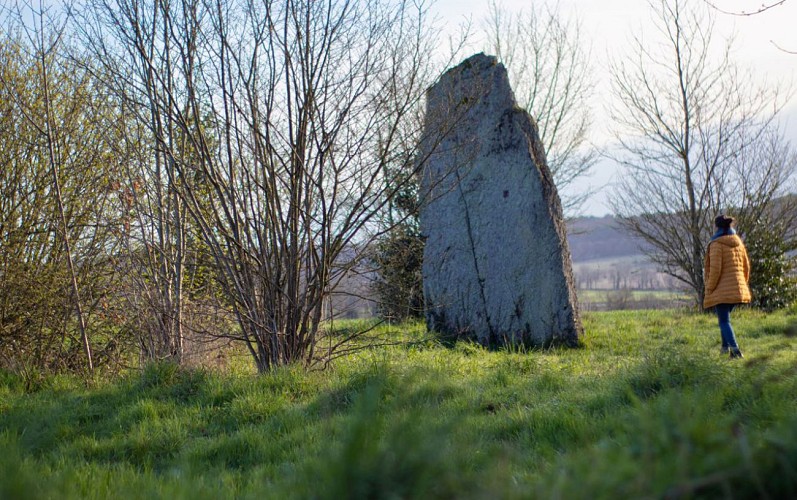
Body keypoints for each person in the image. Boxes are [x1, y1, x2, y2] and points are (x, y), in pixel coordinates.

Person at [703, 214, 752, 359]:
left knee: (724, 321)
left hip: (721, 290)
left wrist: (710, 288)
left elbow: (715, 270)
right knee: (724, 319)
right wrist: (743, 284)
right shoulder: (739, 243)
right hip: (738, 288)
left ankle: (736, 352)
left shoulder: (716, 244)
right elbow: (746, 267)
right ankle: (724, 350)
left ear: (717, 227)